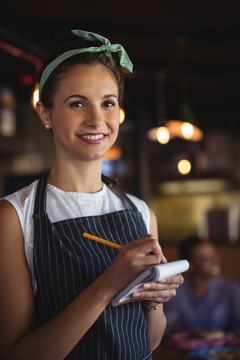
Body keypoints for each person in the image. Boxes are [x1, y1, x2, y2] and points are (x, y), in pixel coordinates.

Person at [0, 29, 183, 360]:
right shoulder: (13, 218)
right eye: (77, 103)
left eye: (107, 103)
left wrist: (155, 298)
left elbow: (151, 341)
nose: (97, 119)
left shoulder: (142, 214)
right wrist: (106, 286)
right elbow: (16, 354)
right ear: (45, 113)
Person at [164, 235, 240, 334]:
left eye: (215, 256)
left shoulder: (232, 290)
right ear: (189, 264)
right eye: (206, 259)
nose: (215, 262)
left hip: (223, 349)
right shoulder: (174, 291)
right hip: (184, 349)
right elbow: (169, 330)